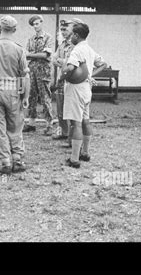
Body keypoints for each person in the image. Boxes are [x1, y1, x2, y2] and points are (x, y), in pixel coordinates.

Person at [0, 16, 30, 174]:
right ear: (14, 30)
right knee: (16, 126)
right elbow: (25, 76)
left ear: (0, 29)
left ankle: (5, 161)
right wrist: (26, 96)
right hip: (13, 91)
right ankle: (17, 158)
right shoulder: (18, 49)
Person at [59, 23, 107, 168]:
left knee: (76, 123)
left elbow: (69, 69)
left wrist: (59, 78)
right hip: (86, 89)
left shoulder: (76, 50)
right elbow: (103, 64)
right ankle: (85, 152)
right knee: (86, 120)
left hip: (76, 89)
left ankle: (74, 159)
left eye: (72, 34)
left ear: (77, 36)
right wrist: (90, 75)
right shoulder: (89, 49)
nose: (70, 36)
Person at [52, 18, 83, 145]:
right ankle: (64, 132)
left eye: (66, 29)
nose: (63, 32)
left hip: (71, 80)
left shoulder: (76, 45)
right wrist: (62, 61)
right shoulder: (62, 44)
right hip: (61, 79)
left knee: (70, 109)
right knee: (60, 109)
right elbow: (53, 59)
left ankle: (72, 138)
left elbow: (73, 63)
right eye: (62, 30)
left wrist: (61, 61)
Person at [23, 15, 54, 136]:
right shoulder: (31, 39)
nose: (36, 26)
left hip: (43, 71)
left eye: (37, 23)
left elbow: (46, 55)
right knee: (32, 96)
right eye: (33, 25)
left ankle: (49, 124)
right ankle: (31, 123)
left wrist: (32, 54)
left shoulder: (48, 38)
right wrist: (35, 54)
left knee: (45, 97)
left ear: (42, 23)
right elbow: (26, 55)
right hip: (32, 71)